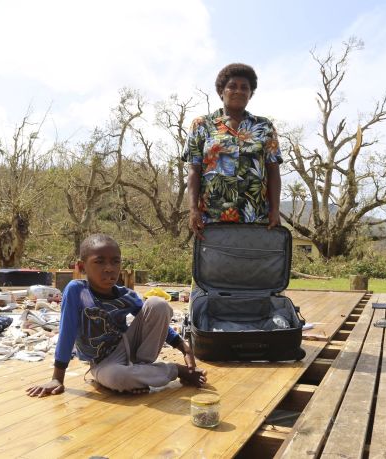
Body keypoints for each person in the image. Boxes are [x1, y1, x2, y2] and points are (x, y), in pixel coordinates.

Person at [26, 234, 207, 397]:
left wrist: (185, 348)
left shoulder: (126, 295)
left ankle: (142, 371)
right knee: (117, 377)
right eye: (99, 262)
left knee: (158, 304)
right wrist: (58, 378)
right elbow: (67, 332)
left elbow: (155, 319)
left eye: (115, 262)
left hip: (130, 348)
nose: (109, 268)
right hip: (103, 364)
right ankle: (175, 371)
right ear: (82, 267)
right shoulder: (77, 291)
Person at [183, 63, 283, 240]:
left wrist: (275, 210)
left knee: (254, 266)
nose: (238, 91)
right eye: (232, 86)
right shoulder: (201, 125)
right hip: (212, 218)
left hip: (256, 218)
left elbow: (273, 170)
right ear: (221, 91)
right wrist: (193, 209)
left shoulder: (264, 127)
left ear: (250, 94)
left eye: (245, 87)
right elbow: (194, 170)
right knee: (213, 267)